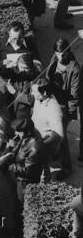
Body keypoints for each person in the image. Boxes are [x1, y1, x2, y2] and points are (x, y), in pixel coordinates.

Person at [47, 37, 80, 171]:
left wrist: (71, 112)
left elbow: (74, 94)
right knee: (52, 131)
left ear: (68, 51)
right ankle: (56, 154)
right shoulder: (54, 58)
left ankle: (67, 166)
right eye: (58, 54)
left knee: (61, 135)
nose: (61, 57)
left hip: (63, 104)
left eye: (64, 54)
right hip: (52, 101)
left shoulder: (75, 69)